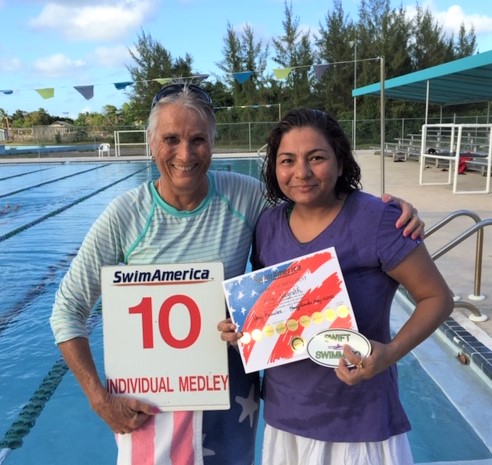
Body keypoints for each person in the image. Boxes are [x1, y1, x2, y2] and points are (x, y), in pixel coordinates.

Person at [50, 84, 423, 465]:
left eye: (198, 139)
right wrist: (99, 399)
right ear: (150, 142)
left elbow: (312, 201)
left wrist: (387, 212)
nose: (185, 154)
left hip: (229, 400)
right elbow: (67, 310)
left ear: (213, 143)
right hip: (152, 404)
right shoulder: (124, 215)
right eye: (171, 139)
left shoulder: (246, 197)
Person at [219, 109, 453, 465]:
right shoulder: (267, 225)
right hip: (286, 418)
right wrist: (243, 329)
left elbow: (437, 298)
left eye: (316, 158)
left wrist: (389, 353)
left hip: (358, 420)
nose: (301, 172)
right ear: (274, 169)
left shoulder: (378, 219)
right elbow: (270, 310)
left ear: (340, 162)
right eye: (287, 160)